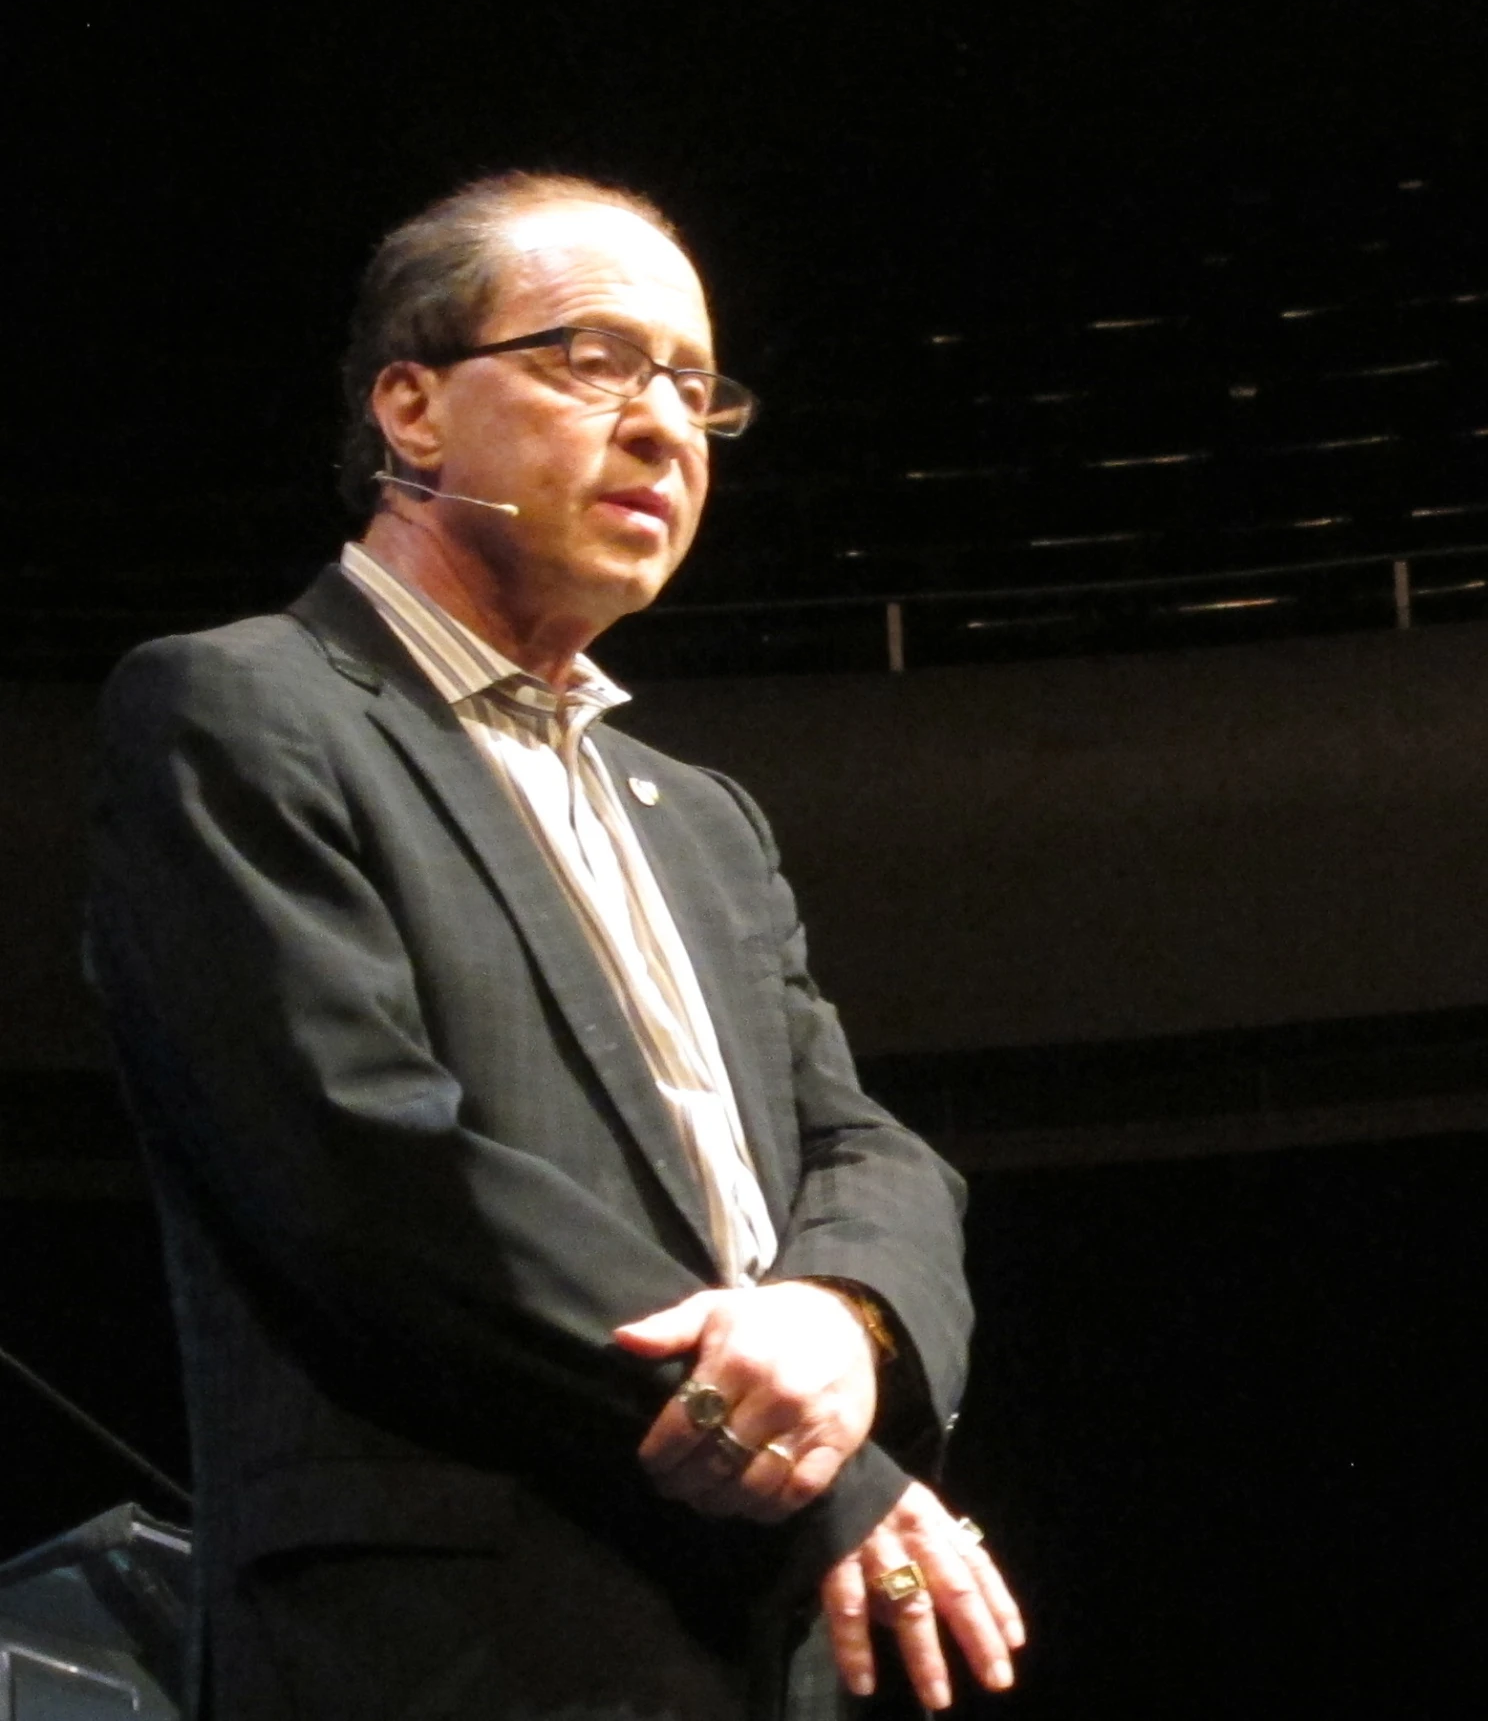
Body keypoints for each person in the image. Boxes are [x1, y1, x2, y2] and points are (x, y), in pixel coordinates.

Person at [86, 172, 1025, 1719]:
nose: (664, 425)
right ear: (411, 407)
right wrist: (823, 1463)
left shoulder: (702, 816)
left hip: (758, 1645)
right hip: (452, 1649)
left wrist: (842, 1320)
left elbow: (873, 1153)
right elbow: (373, 1178)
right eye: (595, 358)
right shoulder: (240, 709)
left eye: (693, 385)